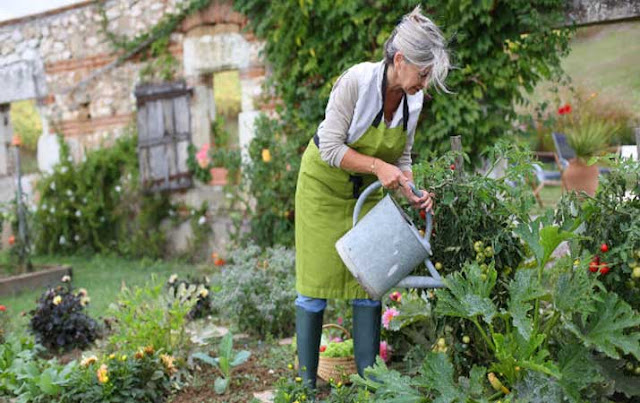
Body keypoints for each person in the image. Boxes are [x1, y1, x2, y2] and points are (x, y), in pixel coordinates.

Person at [294, 5, 450, 388]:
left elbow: (403, 157)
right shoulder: (356, 83)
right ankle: (305, 387)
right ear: (400, 59)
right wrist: (380, 169)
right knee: (314, 289)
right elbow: (330, 148)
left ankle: (368, 385)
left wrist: (411, 190)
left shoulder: (412, 101)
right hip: (322, 190)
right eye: (423, 73)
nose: (424, 84)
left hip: (365, 193)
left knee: (370, 281)